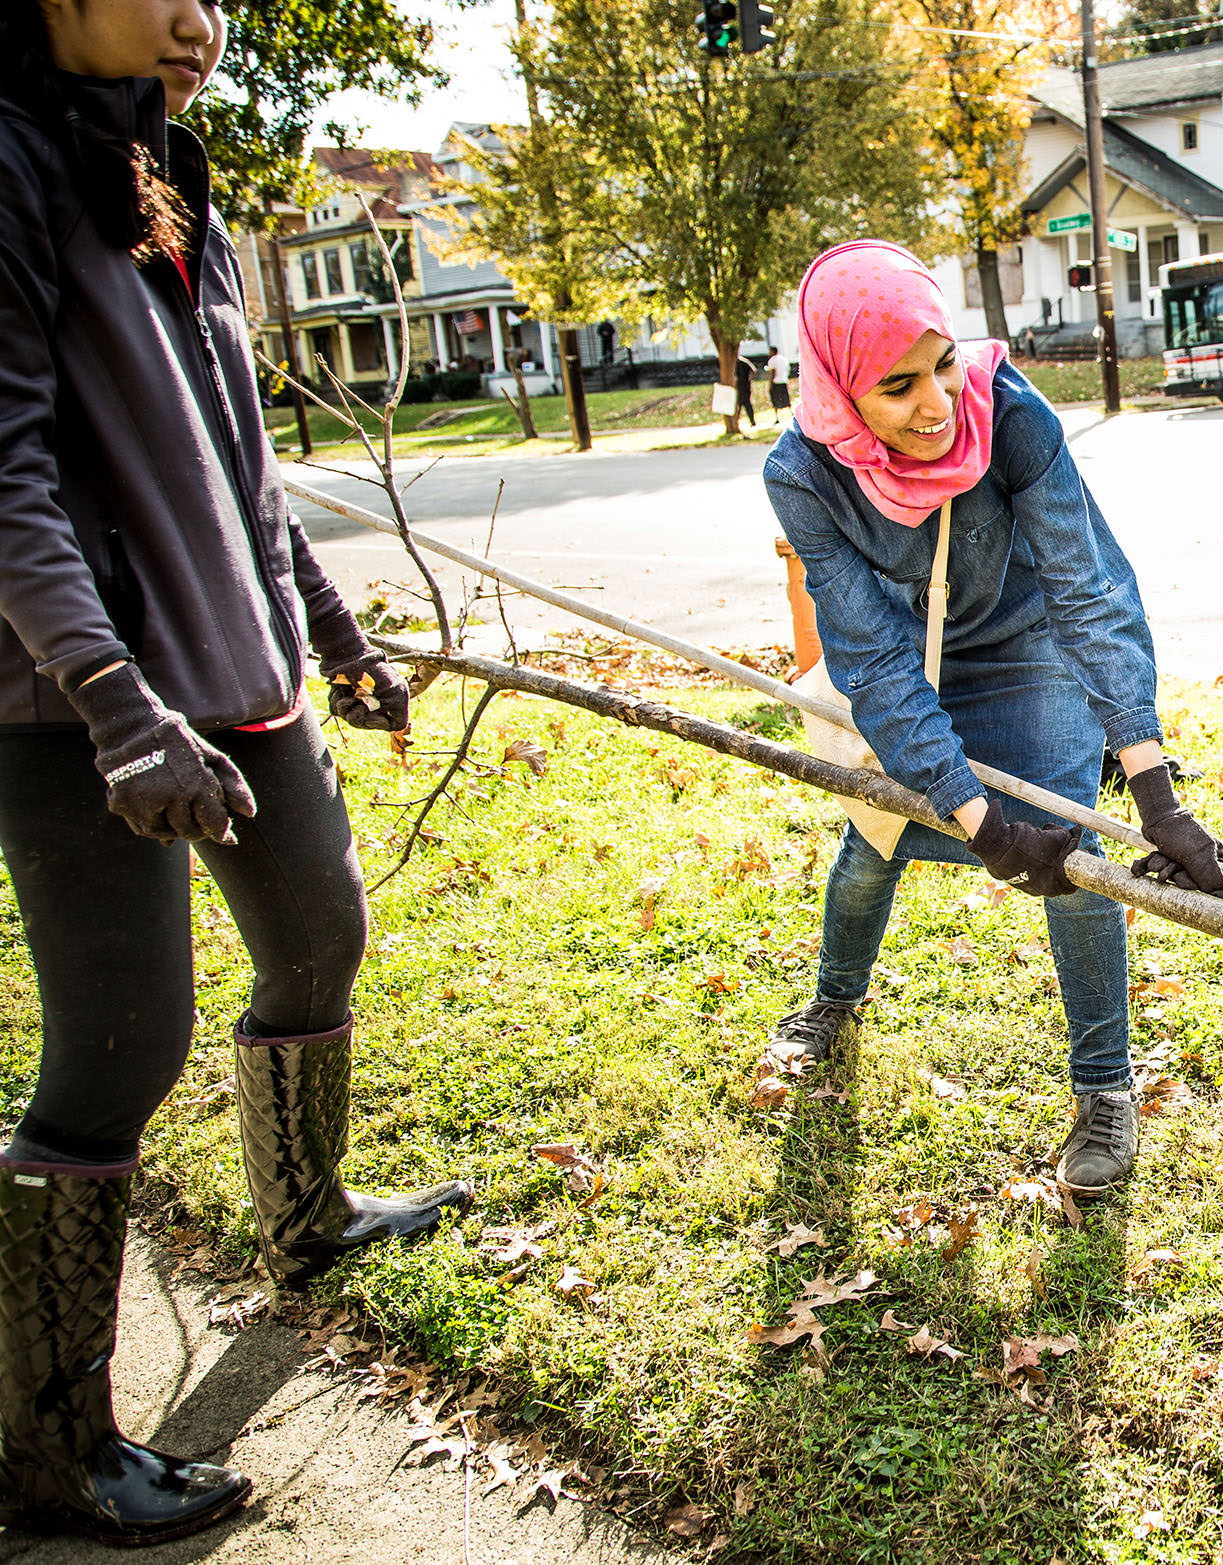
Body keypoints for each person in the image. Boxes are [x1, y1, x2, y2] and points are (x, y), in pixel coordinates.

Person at [0, 0, 471, 1544]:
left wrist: (330, 634)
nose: (201, 16)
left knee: (321, 930)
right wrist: (114, 699)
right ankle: (51, 1446)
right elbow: (5, 477)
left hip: (238, 666)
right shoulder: (11, 169)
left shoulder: (171, 182)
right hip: (85, 701)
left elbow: (238, 467)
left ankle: (309, 1215)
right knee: (121, 1044)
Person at [762, 241, 1223, 1194]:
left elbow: (1088, 594)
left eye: (942, 363)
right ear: (841, 391)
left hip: (1029, 644)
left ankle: (1104, 1086)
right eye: (897, 387)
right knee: (877, 838)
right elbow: (875, 660)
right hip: (911, 655)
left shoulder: (1009, 413)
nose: (939, 403)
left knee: (1072, 854)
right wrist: (981, 825)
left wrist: (1155, 793)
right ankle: (832, 1001)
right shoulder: (802, 474)